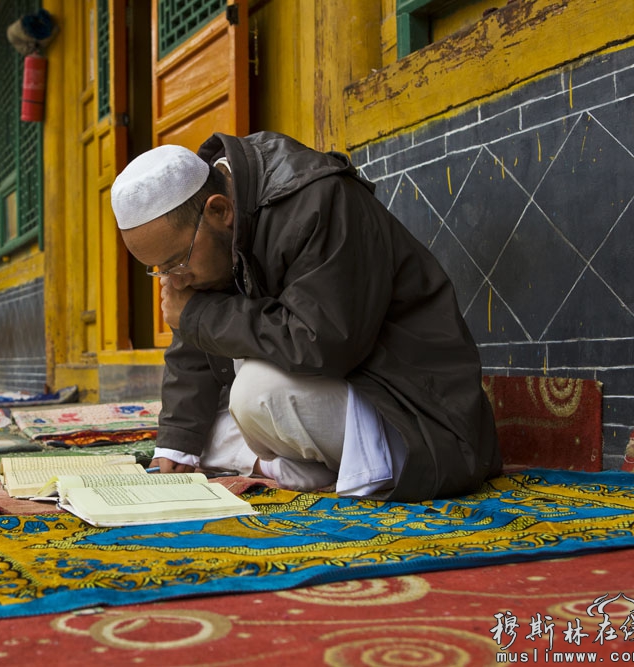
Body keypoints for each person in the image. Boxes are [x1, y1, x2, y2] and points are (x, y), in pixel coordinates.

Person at [109, 132, 501, 501]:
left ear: (220, 210)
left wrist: (197, 316)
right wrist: (177, 441)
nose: (174, 281)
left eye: (175, 263)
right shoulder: (214, 229)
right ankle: (300, 466)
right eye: (160, 270)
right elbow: (198, 336)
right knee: (195, 435)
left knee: (253, 397)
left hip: (414, 411)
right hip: (333, 392)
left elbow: (324, 342)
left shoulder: (317, 200)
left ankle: (335, 465)